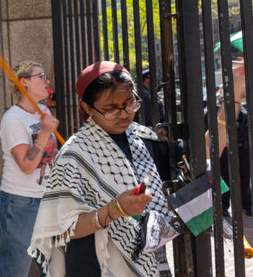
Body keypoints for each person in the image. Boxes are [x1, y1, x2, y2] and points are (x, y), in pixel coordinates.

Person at [30, 61, 178, 277]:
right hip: (94, 267)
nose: (124, 114)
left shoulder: (142, 139)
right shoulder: (74, 154)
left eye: (129, 104)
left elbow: (197, 159)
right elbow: (61, 229)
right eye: (110, 109)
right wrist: (116, 210)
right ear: (88, 108)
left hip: (148, 263)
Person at [0, 61, 59, 277]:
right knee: (15, 266)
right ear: (25, 82)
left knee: (50, 264)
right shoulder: (12, 119)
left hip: (46, 197)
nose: (46, 81)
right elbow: (27, 165)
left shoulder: (43, 110)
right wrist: (44, 132)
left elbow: (51, 155)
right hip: (21, 202)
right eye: (41, 76)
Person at [205, 58, 251, 216]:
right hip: (225, 148)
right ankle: (223, 205)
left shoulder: (243, 109)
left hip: (243, 148)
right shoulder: (217, 109)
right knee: (224, 177)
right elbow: (206, 147)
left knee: (245, 178)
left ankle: (246, 204)